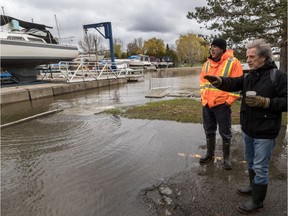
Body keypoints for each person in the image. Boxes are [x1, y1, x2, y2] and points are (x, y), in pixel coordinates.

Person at [204, 39, 287, 214]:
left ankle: (258, 201)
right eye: (246, 56)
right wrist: (219, 81)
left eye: (252, 56)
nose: (248, 60)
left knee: (260, 166)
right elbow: (234, 83)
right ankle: (253, 186)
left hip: (266, 131)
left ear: (263, 57)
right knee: (250, 161)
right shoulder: (250, 76)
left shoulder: (277, 76)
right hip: (249, 129)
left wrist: (266, 102)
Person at [199, 38, 243, 170]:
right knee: (209, 130)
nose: (212, 49)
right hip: (207, 104)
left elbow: (238, 84)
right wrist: (203, 97)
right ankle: (210, 154)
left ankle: (226, 158)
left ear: (223, 49)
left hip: (222, 105)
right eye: (211, 46)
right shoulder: (206, 64)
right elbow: (202, 82)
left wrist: (228, 101)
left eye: (215, 47)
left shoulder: (233, 62)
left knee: (225, 132)